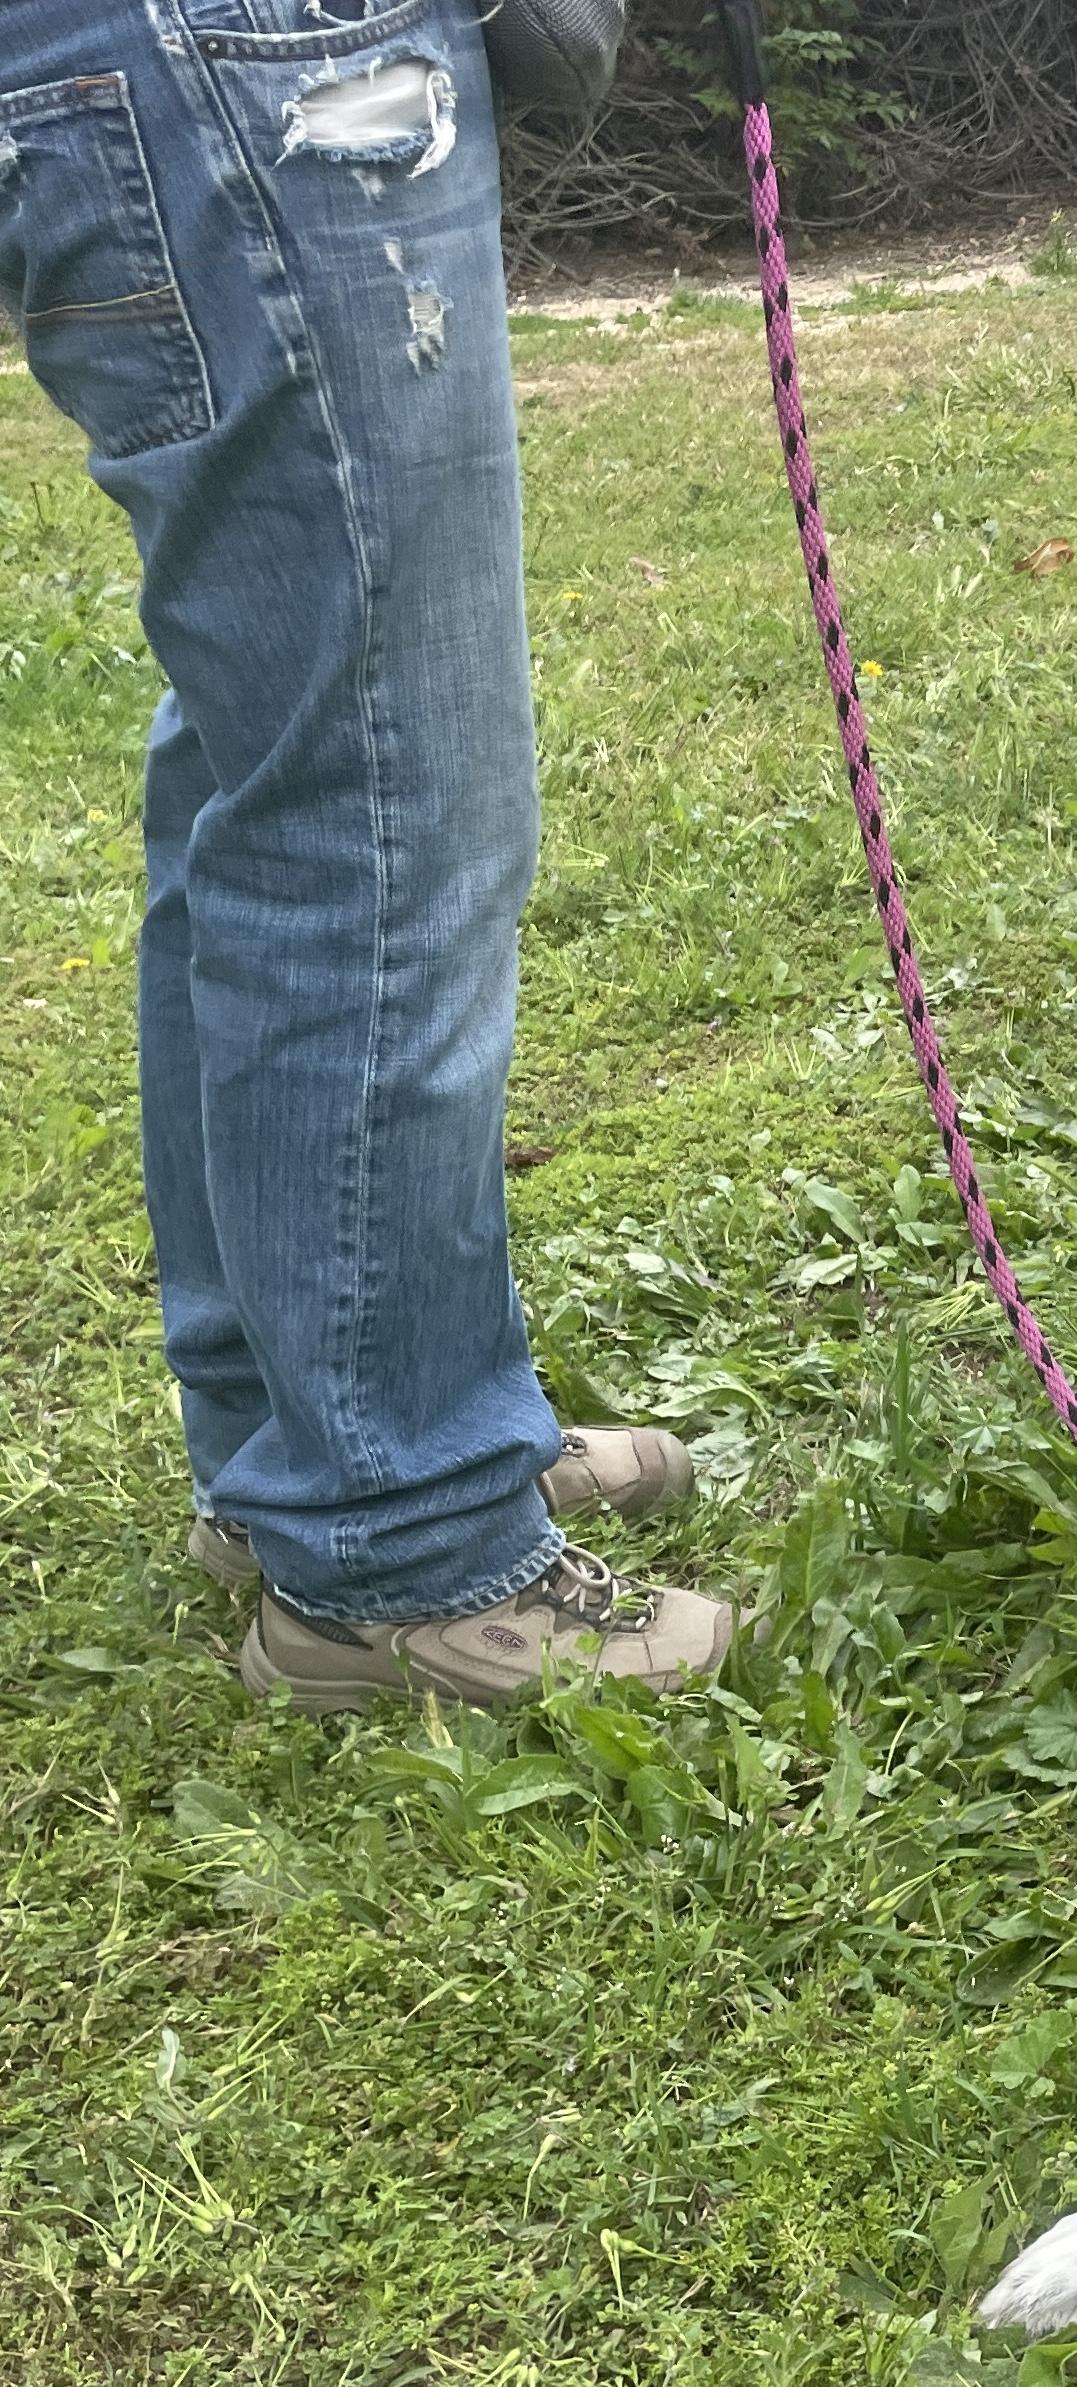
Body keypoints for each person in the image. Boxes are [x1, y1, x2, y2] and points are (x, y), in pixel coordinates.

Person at [2, 0, 731, 1707]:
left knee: (282, 762)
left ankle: (302, 1447)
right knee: (379, 795)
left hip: (170, 65)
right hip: (261, 63)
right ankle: (395, 1546)